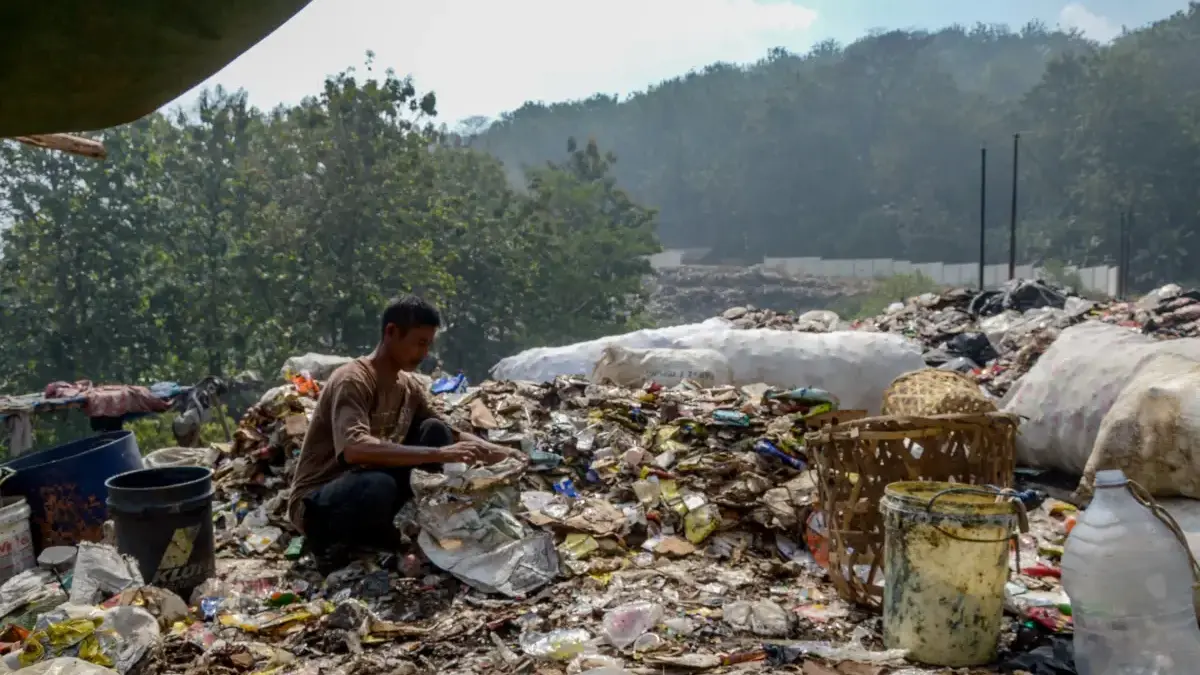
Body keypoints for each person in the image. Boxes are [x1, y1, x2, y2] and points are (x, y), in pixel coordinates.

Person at [286, 295, 516, 572]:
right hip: (323, 501)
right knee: (376, 485)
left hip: (374, 486)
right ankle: (334, 549)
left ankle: (401, 535)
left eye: (428, 345)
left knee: (434, 430)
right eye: (419, 343)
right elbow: (353, 448)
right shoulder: (353, 380)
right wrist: (438, 454)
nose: (424, 353)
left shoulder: (406, 386)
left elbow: (449, 433)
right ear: (392, 332)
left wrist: (504, 455)